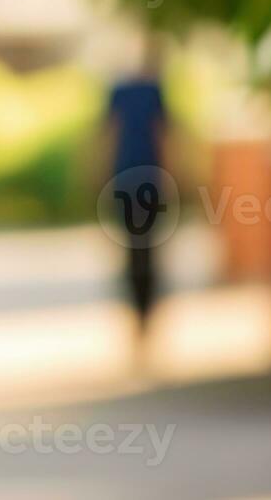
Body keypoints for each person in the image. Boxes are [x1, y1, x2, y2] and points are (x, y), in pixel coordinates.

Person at [102, 32, 170, 361]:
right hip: (143, 181)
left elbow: (108, 136)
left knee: (139, 250)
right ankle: (142, 317)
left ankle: (144, 318)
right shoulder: (145, 90)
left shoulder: (130, 91)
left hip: (133, 180)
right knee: (143, 250)